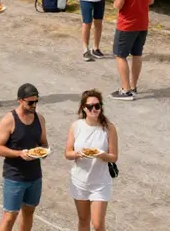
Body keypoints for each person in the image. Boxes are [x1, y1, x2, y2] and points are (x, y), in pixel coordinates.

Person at [0, 83, 49, 231]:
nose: (34, 105)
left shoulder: (40, 119)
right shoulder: (9, 120)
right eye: (30, 102)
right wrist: (19, 154)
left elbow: (44, 143)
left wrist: (43, 151)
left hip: (35, 176)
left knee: (29, 212)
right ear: (20, 100)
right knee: (10, 216)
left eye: (36, 101)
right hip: (15, 177)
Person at [65, 89, 119, 231]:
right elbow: (68, 153)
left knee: (98, 224)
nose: (94, 109)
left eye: (97, 106)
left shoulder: (109, 128)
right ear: (83, 108)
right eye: (90, 107)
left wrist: (101, 155)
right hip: (79, 180)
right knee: (83, 220)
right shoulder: (76, 126)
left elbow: (114, 156)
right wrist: (78, 154)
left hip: (100, 183)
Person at [111, 0, 154, 100]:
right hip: (142, 23)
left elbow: (118, 4)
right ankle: (133, 86)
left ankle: (125, 89)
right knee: (137, 54)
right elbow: (151, 0)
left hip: (127, 24)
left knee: (120, 55)